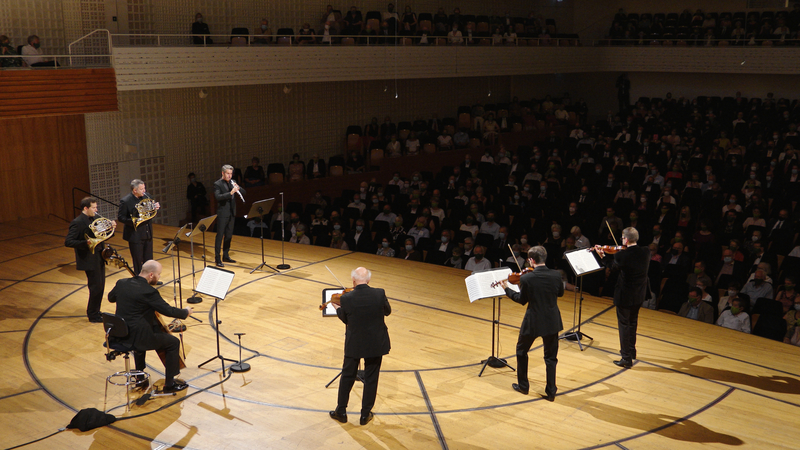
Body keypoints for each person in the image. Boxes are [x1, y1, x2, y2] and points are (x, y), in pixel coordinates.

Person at [108, 260, 192, 393]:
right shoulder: (148, 292)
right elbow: (168, 310)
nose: (159, 277)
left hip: (119, 335)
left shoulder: (121, 283)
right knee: (173, 342)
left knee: (142, 335)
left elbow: (111, 298)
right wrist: (185, 312)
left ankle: (140, 377)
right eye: (159, 274)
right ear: (151, 275)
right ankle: (169, 385)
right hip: (137, 338)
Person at [501, 246, 564, 401]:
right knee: (551, 358)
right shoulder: (557, 275)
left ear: (531, 260)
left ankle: (523, 386)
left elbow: (521, 300)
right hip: (551, 321)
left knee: (521, 351)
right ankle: (551, 391)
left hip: (533, 321)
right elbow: (560, 293)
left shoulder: (526, 278)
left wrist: (507, 289)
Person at [330, 267, 391, 426]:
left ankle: (341, 411)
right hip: (375, 342)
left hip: (355, 343)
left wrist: (337, 309)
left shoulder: (347, 298)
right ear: (369, 280)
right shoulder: (380, 293)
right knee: (371, 378)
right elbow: (387, 311)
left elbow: (346, 319)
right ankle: (365, 415)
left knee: (347, 376)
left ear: (353, 280)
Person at [594, 227, 650, 368]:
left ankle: (626, 358)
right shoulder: (646, 251)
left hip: (625, 294)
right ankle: (631, 351)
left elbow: (612, 268)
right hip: (639, 293)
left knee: (624, 325)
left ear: (625, 239)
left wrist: (603, 256)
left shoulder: (622, 255)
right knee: (633, 322)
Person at [65, 197, 115, 323]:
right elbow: (68, 241)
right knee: (95, 287)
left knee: (101, 286)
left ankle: (96, 311)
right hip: (88, 259)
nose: (96, 210)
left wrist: (111, 228)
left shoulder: (96, 219)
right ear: (85, 208)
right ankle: (92, 315)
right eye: (94, 207)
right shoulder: (77, 222)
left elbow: (105, 235)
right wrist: (86, 242)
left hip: (99, 256)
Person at [118, 179, 160, 276]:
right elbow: (121, 218)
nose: (144, 191)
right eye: (141, 189)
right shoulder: (126, 201)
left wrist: (155, 208)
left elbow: (150, 213)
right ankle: (139, 282)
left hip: (147, 232)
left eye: (144, 188)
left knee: (149, 260)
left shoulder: (148, 196)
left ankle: (150, 279)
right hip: (135, 235)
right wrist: (134, 221)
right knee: (138, 261)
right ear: (134, 190)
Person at [213, 164, 246, 267]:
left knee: (229, 235)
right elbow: (218, 197)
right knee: (220, 236)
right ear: (223, 173)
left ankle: (226, 255)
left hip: (232, 213)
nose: (229, 176)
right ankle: (217, 258)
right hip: (223, 213)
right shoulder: (217, 184)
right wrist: (231, 193)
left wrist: (238, 188)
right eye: (228, 173)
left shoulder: (233, 182)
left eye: (231, 174)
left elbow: (244, 193)